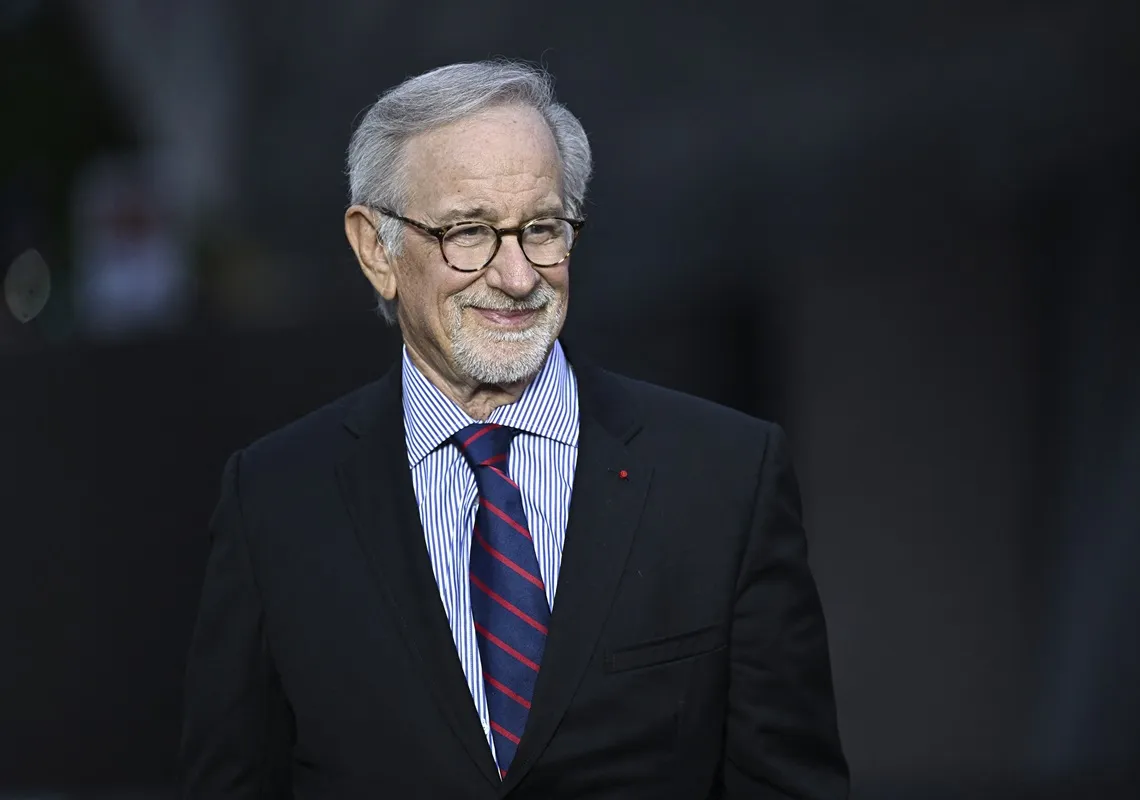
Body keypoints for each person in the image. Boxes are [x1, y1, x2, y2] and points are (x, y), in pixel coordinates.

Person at [180, 59, 848, 799]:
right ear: (378, 249)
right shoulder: (275, 501)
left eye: (541, 228)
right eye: (467, 232)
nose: (517, 275)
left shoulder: (724, 477)